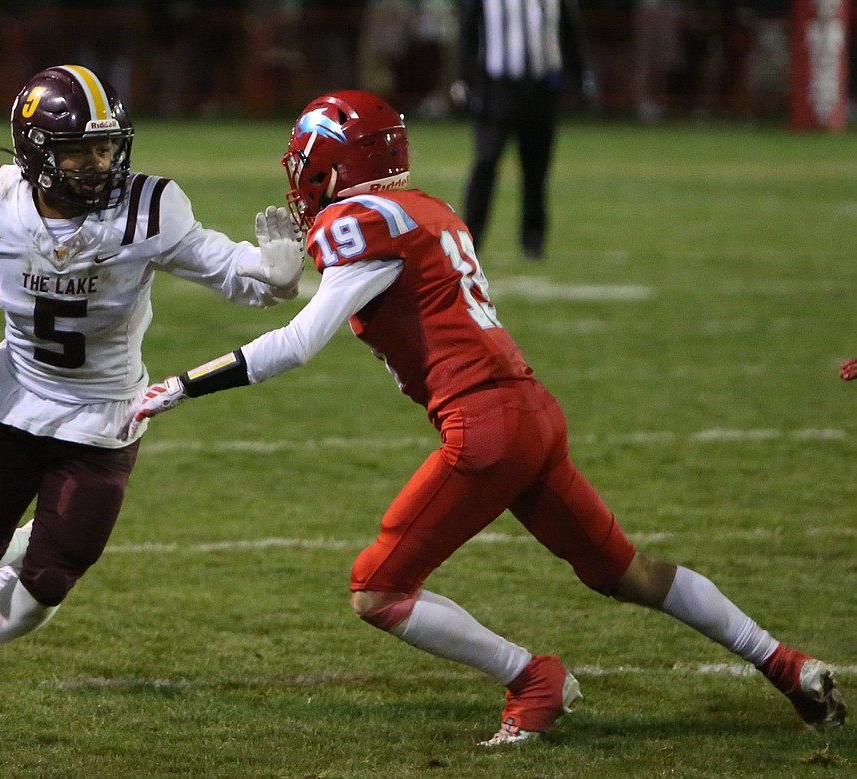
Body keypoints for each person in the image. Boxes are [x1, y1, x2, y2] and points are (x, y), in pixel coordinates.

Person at [121, 90, 847, 745]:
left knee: (377, 588)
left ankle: (532, 678)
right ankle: (788, 664)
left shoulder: (354, 221)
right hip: (533, 411)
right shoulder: (430, 210)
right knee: (626, 570)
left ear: (329, 169)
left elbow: (298, 343)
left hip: (486, 427)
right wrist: (287, 277)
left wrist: (182, 385)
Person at [0, 65, 303, 693]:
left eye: (105, 146)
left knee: (53, 578)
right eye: (78, 150)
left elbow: (228, 270)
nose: (98, 163)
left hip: (104, 415)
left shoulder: (148, 209)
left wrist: (275, 274)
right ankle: (24, 541)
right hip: (14, 401)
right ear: (34, 152)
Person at [453, 0, 595, 260]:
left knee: (536, 169)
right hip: (497, 88)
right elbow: (469, 31)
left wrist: (580, 74)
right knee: (485, 163)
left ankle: (533, 242)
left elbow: (570, 31)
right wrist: (463, 76)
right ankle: (471, 238)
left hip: (542, 89)